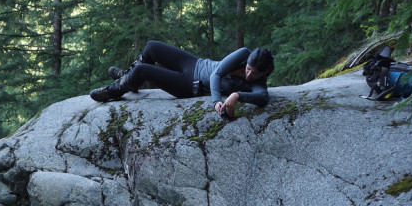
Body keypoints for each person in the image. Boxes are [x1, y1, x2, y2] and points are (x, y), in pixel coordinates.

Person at [89, 40, 274, 118]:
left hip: (189, 85)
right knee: (152, 46)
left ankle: (113, 91)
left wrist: (236, 96)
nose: (250, 74)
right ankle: (127, 78)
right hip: (194, 64)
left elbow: (262, 98)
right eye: (248, 69)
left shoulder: (258, 84)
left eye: (255, 73)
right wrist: (218, 99)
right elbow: (216, 74)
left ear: (264, 73)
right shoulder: (244, 54)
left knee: (143, 70)